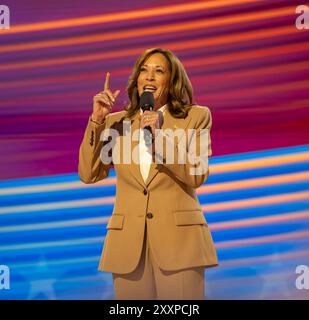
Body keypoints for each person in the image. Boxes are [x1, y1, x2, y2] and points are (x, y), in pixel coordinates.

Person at [78, 48, 218, 300]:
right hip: (128, 248)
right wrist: (97, 121)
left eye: (159, 71)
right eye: (144, 70)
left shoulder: (195, 117)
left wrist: (159, 136)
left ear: (172, 80)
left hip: (180, 245)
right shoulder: (116, 122)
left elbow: (197, 173)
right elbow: (89, 174)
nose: (149, 77)